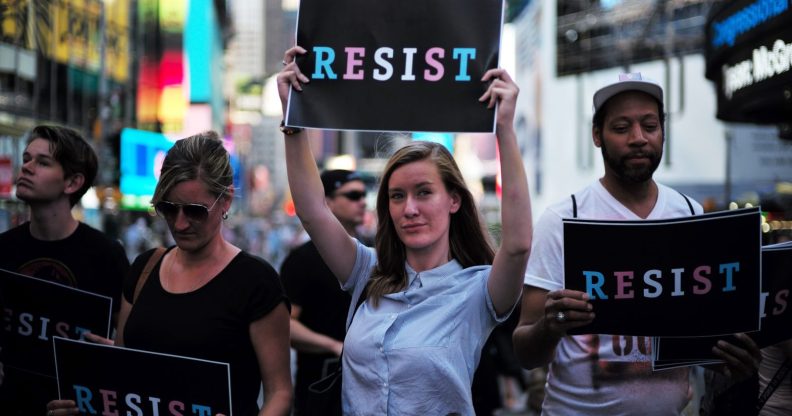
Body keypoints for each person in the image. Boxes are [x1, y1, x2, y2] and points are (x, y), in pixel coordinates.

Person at [277, 45, 532, 415]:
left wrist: (504, 130)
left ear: (454, 200)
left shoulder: (478, 290)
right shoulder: (367, 272)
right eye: (397, 196)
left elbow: (518, 245)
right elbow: (313, 212)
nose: (409, 208)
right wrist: (292, 119)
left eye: (424, 192)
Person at [511, 73, 761, 415]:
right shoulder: (563, 219)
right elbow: (526, 353)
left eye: (650, 125)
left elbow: (704, 340)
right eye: (622, 127)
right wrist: (549, 326)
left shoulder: (689, 213)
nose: (638, 138)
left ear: (663, 131)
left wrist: (734, 357)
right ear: (597, 136)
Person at [47, 131, 292, 416]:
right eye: (168, 208)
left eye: (195, 211)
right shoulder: (144, 268)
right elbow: (125, 378)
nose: (180, 223)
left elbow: (280, 393)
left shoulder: (255, 282)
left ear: (225, 201)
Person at [0, 125, 129, 416]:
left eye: (43, 162)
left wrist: (114, 354)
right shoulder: (4, 249)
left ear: (72, 183)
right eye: (27, 158)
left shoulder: (106, 256)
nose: (27, 167)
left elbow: (131, 347)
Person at [280, 169, 366, 416]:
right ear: (327, 202)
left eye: (363, 195)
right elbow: (285, 325)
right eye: (352, 195)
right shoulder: (302, 260)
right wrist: (334, 346)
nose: (361, 201)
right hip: (320, 385)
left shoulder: (375, 252)